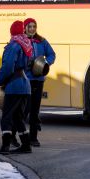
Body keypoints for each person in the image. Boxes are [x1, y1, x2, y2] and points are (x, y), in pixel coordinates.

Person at [0, 20, 33, 154]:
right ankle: (26, 145)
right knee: (18, 117)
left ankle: (5, 146)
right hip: (25, 85)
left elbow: (8, 66)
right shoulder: (27, 45)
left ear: (11, 32)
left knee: (7, 116)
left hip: (14, 85)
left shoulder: (14, 45)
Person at [22, 17, 55, 147]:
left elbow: (52, 54)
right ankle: (17, 136)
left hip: (38, 80)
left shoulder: (42, 41)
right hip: (26, 79)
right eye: (29, 27)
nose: (32, 29)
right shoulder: (21, 41)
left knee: (35, 110)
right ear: (25, 28)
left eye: (34, 27)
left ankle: (33, 138)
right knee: (25, 110)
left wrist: (45, 64)